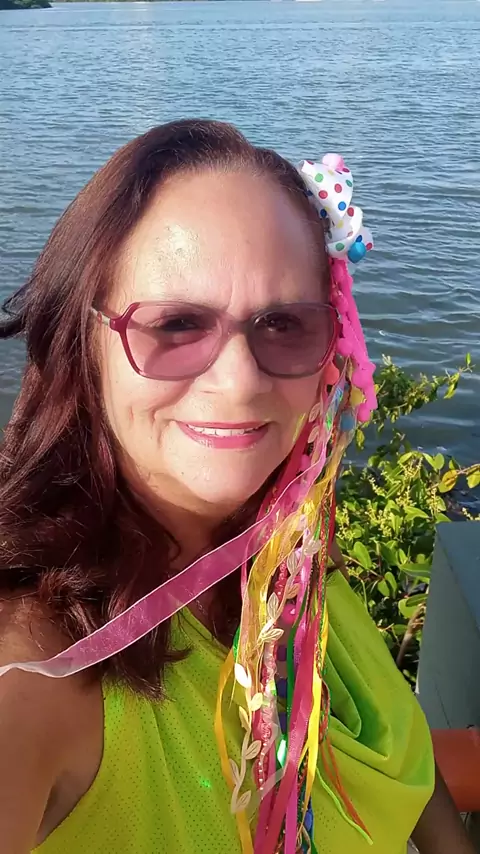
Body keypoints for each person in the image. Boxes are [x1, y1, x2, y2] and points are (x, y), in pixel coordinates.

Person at [0, 119, 474, 854]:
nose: (241, 381)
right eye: (175, 324)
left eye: (283, 323)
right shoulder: (33, 670)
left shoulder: (288, 553)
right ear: (82, 344)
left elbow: (399, 748)